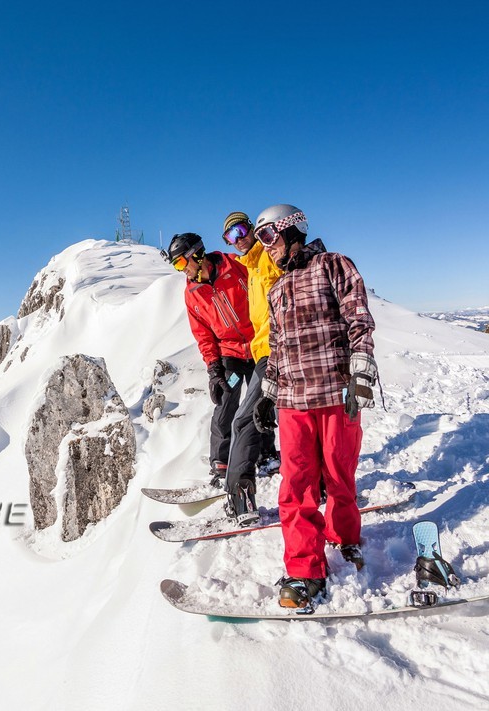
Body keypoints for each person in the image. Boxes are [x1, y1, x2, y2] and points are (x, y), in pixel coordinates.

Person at [250, 204, 378, 611]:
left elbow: (359, 321)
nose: (266, 247)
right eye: (260, 240)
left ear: (292, 231)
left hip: (336, 393)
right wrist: (267, 392)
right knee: (295, 486)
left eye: (269, 236)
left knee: (340, 476)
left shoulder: (333, 265)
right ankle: (306, 570)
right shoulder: (276, 289)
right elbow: (277, 347)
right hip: (293, 402)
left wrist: (361, 374)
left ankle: (345, 537)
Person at [166, 232, 255, 487]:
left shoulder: (234, 265)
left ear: (198, 254)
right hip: (231, 354)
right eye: (176, 266)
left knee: (262, 401)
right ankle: (221, 462)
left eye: (182, 263)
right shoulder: (192, 293)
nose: (181, 271)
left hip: (259, 347)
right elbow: (203, 334)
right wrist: (214, 370)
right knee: (227, 400)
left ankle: (266, 453)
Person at [217, 211, 283, 526]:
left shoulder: (269, 258)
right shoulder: (250, 266)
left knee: (244, 422)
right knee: (289, 420)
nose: (238, 238)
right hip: (262, 353)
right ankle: (321, 484)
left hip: (276, 351)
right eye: (231, 236)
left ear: (254, 230)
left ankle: (240, 500)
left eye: (242, 230)